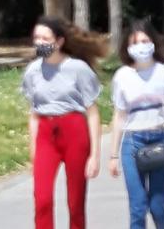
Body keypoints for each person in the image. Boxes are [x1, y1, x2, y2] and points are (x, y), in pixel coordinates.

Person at [21, 16, 107, 229]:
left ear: (59, 42)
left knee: (75, 201)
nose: (40, 43)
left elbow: (93, 113)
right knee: (42, 199)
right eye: (36, 38)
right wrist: (33, 150)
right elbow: (33, 113)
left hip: (74, 130)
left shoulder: (77, 69)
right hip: (45, 132)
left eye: (45, 38)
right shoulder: (32, 71)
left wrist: (95, 155)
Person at [107, 22, 164, 229]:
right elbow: (119, 115)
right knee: (138, 206)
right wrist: (113, 155)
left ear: (154, 42)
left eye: (145, 41)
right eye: (135, 42)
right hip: (133, 142)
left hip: (161, 138)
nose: (141, 46)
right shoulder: (122, 76)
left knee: (158, 205)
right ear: (127, 46)